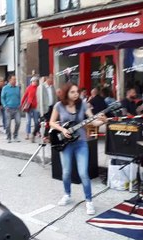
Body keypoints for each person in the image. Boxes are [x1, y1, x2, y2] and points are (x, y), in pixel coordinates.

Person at [49, 83, 107, 215]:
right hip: (65, 144)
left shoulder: (83, 105)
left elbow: (93, 121)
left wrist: (103, 121)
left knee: (83, 173)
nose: (76, 94)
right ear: (66, 93)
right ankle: (67, 194)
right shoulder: (59, 106)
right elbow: (51, 122)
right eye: (72, 92)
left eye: (77, 91)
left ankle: (89, 201)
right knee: (66, 172)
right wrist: (63, 129)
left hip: (81, 143)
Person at [1, 75, 21, 143]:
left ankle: (15, 135)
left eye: (15, 79)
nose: (15, 81)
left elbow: (19, 97)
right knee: (8, 124)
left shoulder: (17, 88)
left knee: (18, 122)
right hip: (8, 109)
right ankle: (8, 137)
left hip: (16, 109)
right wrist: (5, 106)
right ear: (9, 80)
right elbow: (2, 98)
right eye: (13, 79)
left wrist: (19, 104)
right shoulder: (5, 88)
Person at [21, 76, 39, 142]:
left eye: (36, 81)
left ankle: (36, 132)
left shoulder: (38, 88)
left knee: (36, 121)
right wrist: (22, 104)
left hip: (36, 107)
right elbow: (25, 96)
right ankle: (27, 134)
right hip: (29, 106)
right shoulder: (28, 88)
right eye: (34, 81)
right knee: (28, 121)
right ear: (31, 82)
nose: (35, 82)